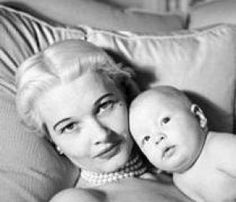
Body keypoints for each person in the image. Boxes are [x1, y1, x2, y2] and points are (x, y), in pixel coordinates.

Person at [15, 39, 192, 202]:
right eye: (70, 126)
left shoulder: (184, 165)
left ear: (126, 94)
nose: (101, 134)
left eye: (104, 107)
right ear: (52, 140)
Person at [129, 85, 236, 202]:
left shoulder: (220, 148)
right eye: (146, 138)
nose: (157, 138)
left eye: (165, 121)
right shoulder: (178, 181)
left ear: (198, 117)